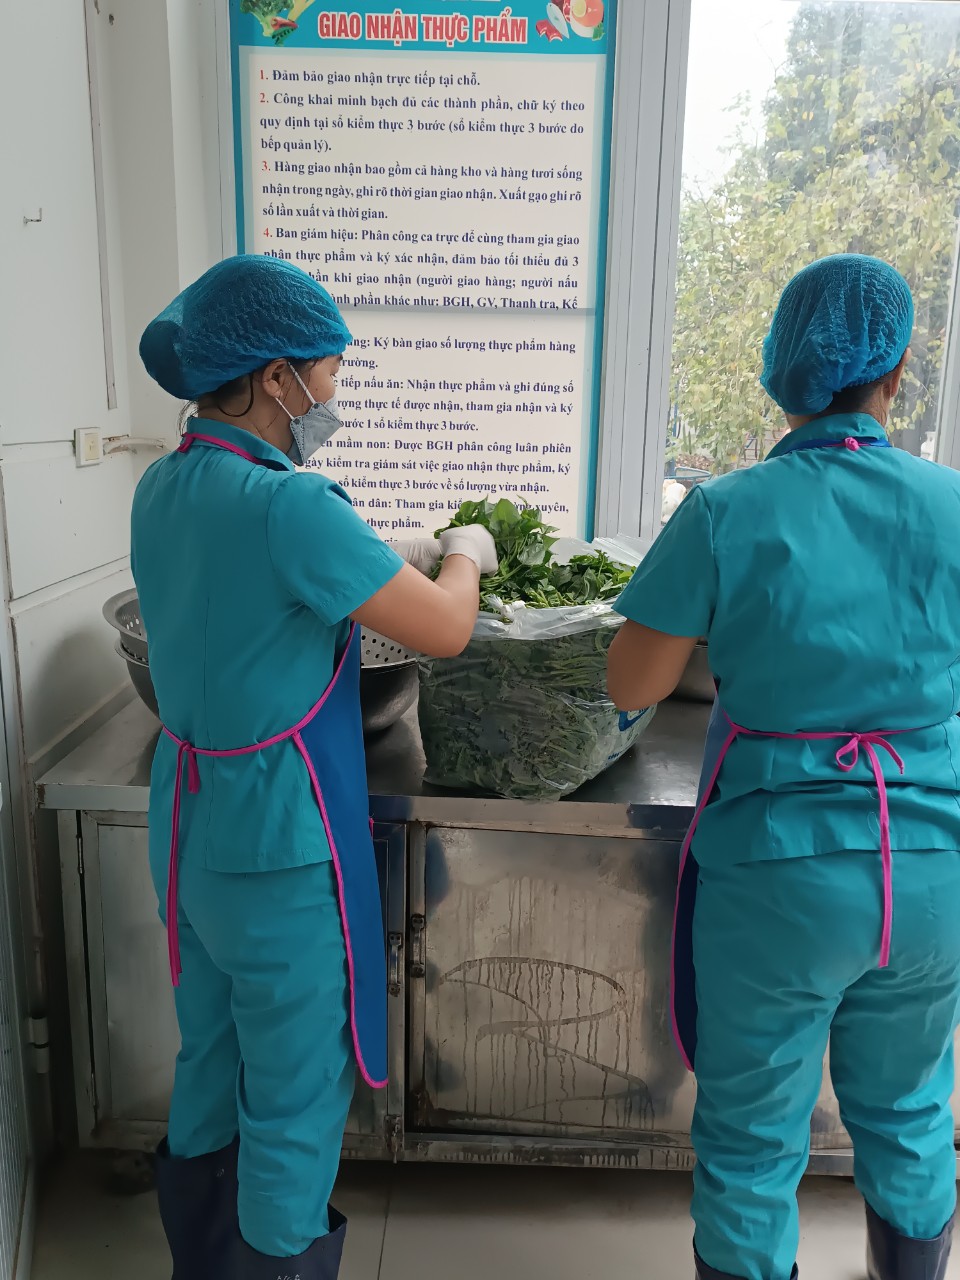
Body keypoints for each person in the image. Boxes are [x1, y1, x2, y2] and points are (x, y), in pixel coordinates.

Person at [132, 254, 497, 1279]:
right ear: (277, 375)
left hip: (188, 835)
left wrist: (379, 553)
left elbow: (250, 603)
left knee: (211, 1058)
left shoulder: (162, 486)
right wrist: (463, 552)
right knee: (293, 1093)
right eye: (330, 371)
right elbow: (446, 628)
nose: (335, 394)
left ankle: (203, 1262)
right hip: (277, 849)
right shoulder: (289, 505)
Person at [607, 255, 960, 1280]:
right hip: (930, 869)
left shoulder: (728, 509)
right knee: (909, 1108)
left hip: (781, 876)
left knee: (755, 1138)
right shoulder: (952, 502)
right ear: (896, 374)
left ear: (781, 371)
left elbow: (633, 679)